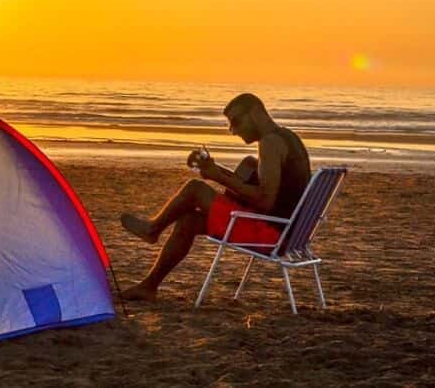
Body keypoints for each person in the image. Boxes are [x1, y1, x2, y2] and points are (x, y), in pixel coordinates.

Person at [119, 93, 311, 301]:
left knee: (195, 189)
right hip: (288, 234)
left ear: (255, 113)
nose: (233, 130)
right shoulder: (288, 137)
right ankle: (149, 287)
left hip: (271, 236)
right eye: (230, 125)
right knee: (189, 221)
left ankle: (153, 229)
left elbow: (265, 201)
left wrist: (218, 177)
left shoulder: (270, 143)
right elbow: (262, 188)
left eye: (236, 122)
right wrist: (215, 170)